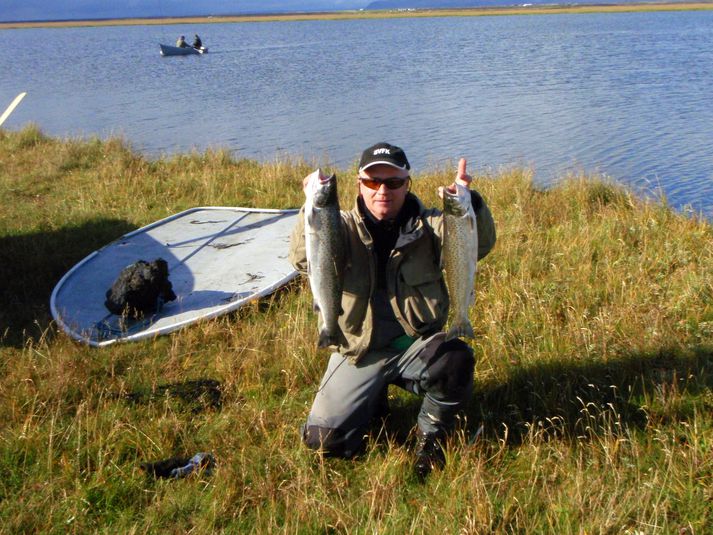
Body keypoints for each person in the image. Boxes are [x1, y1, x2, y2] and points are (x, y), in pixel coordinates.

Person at [289, 142, 496, 479]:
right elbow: (301, 259)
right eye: (373, 182)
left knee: (455, 361)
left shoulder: (431, 224)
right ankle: (372, 400)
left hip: (414, 344)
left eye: (394, 182)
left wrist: (470, 201)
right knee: (324, 441)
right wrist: (309, 208)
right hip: (359, 350)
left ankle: (431, 438)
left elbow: (481, 245)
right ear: (359, 184)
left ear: (407, 184)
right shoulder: (335, 225)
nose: (382, 190)